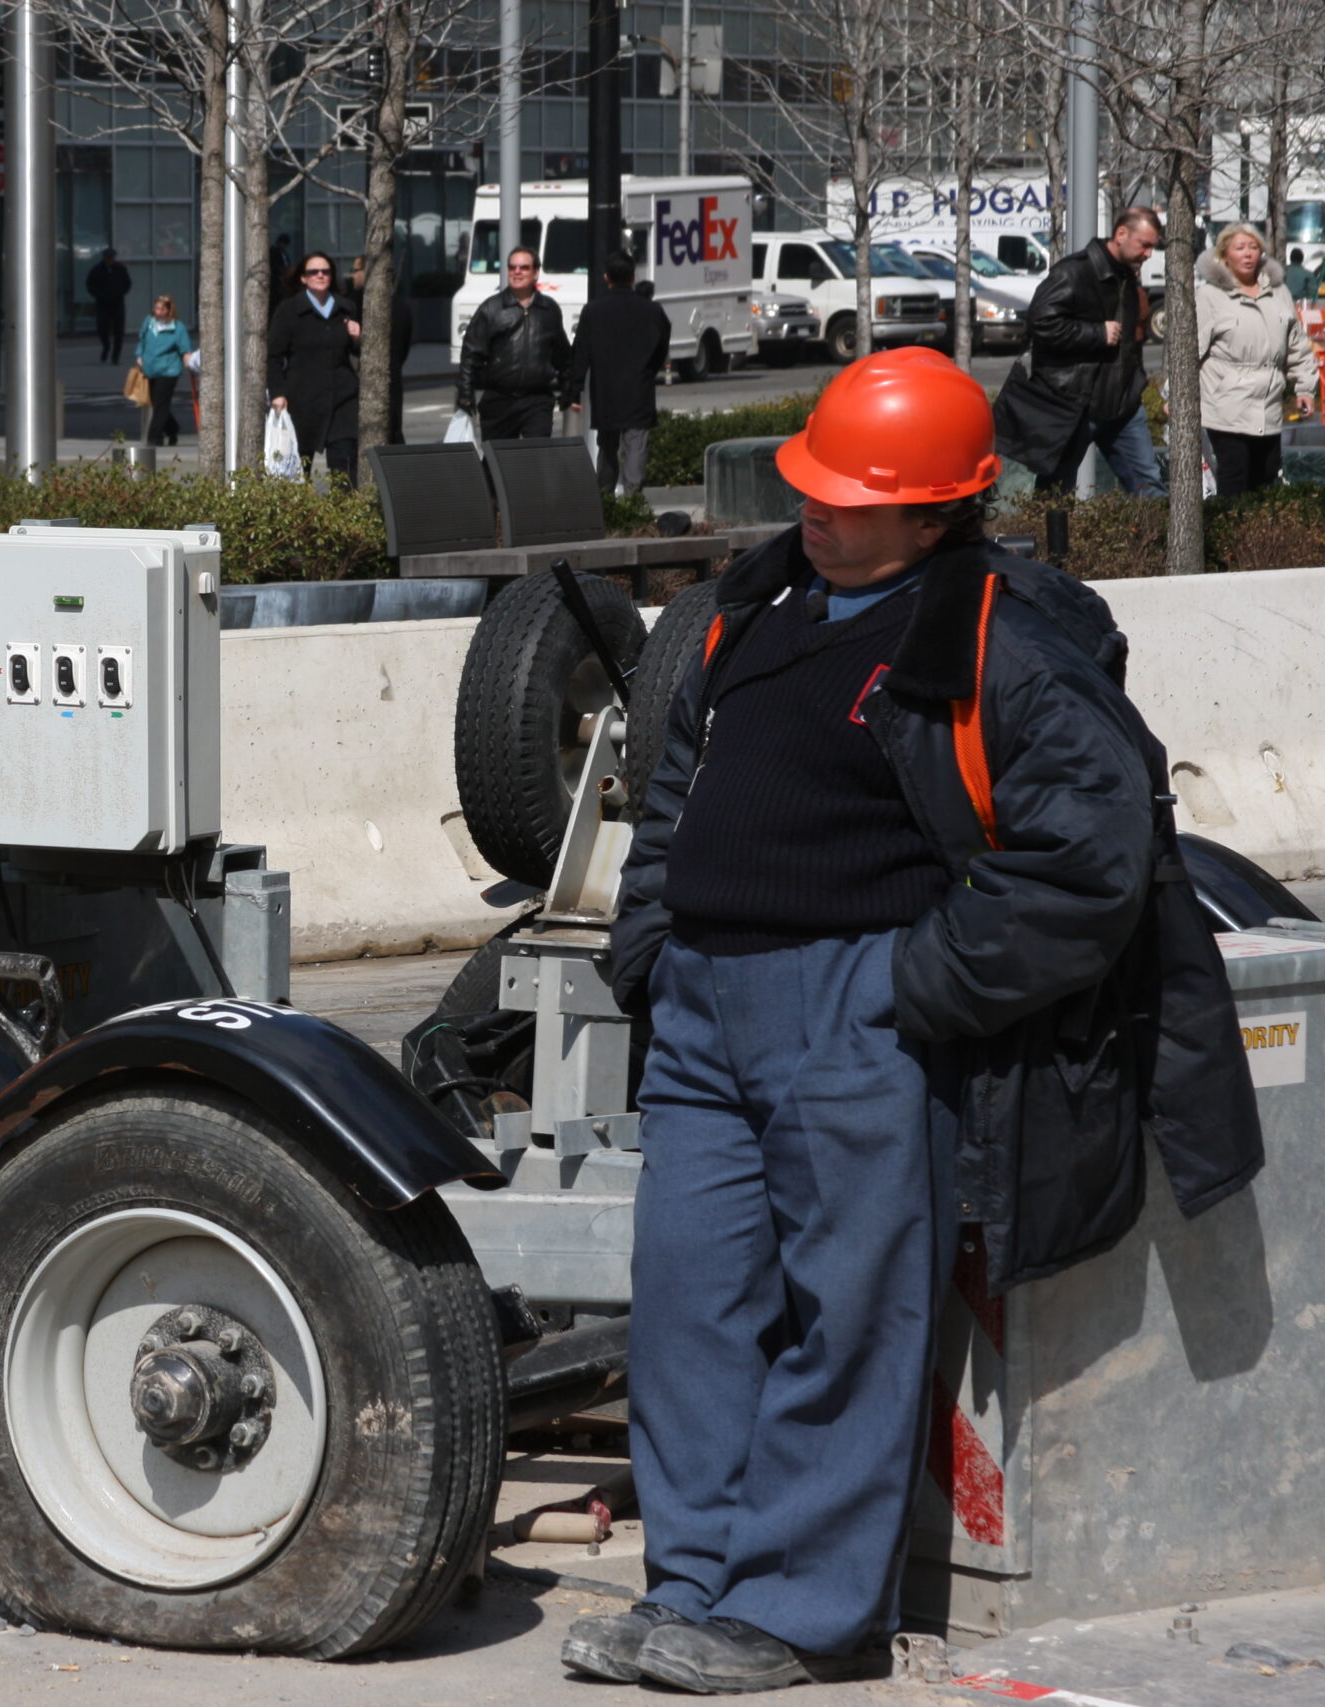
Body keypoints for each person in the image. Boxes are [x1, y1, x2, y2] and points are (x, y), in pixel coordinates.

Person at [573, 348, 1260, 1694]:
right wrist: (650, 945)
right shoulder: (752, 605)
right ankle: (692, 1585)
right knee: (690, 1301)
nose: (814, 509)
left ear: (937, 509)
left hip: (856, 1003)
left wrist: (916, 983)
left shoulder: (1001, 636)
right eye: (811, 487)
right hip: (708, 1003)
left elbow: (1091, 853)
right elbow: (679, 792)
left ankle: (794, 1614)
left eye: (848, 496)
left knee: (852, 1317)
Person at [1019, 207, 1165, 494]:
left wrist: (1136, 383)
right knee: (1055, 492)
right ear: (1121, 234)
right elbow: (1041, 322)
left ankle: (1159, 539)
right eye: (1145, 245)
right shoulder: (1074, 271)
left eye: (1152, 247)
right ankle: (1048, 540)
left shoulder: (1128, 275)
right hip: (1076, 403)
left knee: (1150, 488)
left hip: (1122, 404)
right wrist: (1096, 332)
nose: (1149, 254)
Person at [1197, 222, 1318, 496]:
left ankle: (1258, 537)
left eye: (1254, 247)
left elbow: (1296, 344)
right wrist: (1174, 397)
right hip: (1226, 405)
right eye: (1240, 248)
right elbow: (1189, 350)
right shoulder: (1209, 296)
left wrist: (1305, 388)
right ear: (1225, 254)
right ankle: (1230, 535)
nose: (1248, 254)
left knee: (1266, 476)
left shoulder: (1279, 293)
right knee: (1234, 475)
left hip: (1269, 404)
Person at [564, 251, 671, 498]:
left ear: (606, 277)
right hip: (639, 388)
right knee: (636, 445)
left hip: (605, 389)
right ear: (633, 277)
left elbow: (581, 353)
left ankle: (605, 499)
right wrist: (649, 370)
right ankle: (634, 498)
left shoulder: (593, 311)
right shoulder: (652, 310)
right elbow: (661, 348)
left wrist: (574, 389)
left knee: (607, 445)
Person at [266, 250, 363, 486]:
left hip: (342, 398)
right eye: (313, 272)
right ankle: (299, 519)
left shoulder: (345, 308)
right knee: (298, 467)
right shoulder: (289, 311)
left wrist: (358, 337)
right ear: (303, 277)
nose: (320, 275)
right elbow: (273, 356)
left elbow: (360, 354)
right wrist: (277, 393)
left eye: (325, 271)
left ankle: (345, 516)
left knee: (345, 466)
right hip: (302, 399)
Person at [455, 247, 569, 442]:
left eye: (524, 268)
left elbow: (562, 354)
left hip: (537, 400)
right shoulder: (491, 309)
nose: (517, 272)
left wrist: (569, 389)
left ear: (535, 273)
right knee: (496, 463)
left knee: (536, 456)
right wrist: (465, 393)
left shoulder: (549, 309)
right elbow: (471, 354)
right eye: (512, 267)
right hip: (499, 399)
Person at [348, 254, 414, 444]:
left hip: (366, 384)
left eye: (355, 271)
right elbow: (404, 349)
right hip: (393, 379)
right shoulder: (402, 305)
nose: (352, 276)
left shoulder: (356, 304)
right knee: (393, 433)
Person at [136, 293, 196, 447]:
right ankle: (172, 428)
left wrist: (188, 360)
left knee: (162, 403)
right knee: (157, 404)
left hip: (168, 370)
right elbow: (142, 340)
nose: (158, 312)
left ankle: (154, 437)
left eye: (162, 309)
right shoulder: (149, 323)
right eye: (156, 308)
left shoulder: (177, 327)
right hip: (150, 369)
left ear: (169, 310)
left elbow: (185, 348)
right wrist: (139, 355)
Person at [87, 247, 133, 363]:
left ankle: (115, 356)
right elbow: (90, 285)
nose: (109, 260)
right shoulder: (97, 270)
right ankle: (106, 347)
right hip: (103, 305)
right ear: (104, 258)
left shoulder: (120, 269)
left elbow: (127, 283)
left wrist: (120, 293)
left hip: (117, 304)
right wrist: (98, 295)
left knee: (119, 331)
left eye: (111, 258)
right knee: (102, 329)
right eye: (107, 258)